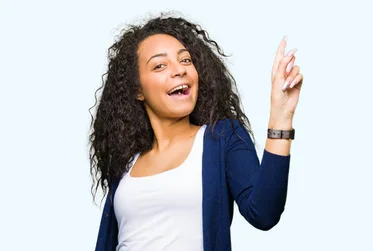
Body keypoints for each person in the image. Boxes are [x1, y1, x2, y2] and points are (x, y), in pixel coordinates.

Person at [89, 13, 303, 251]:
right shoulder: (126, 163)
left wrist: (281, 117)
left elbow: (263, 213)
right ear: (138, 89)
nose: (179, 70)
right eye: (160, 65)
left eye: (186, 60)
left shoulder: (222, 138)